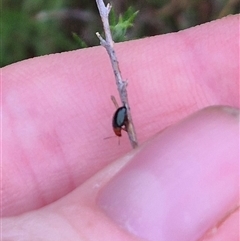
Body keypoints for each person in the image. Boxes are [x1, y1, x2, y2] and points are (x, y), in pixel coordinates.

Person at [2, 14, 239, 241]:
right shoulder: (119, 126)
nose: (118, 134)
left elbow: (120, 119)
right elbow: (120, 119)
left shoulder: (119, 125)